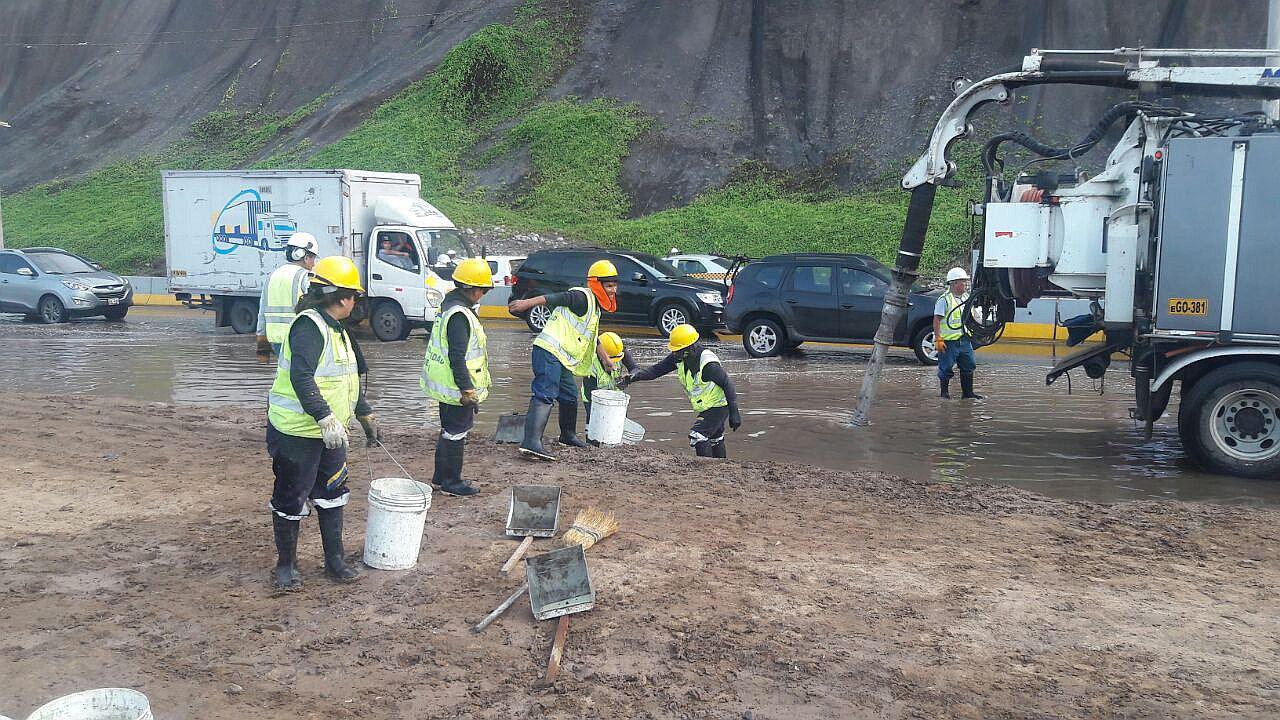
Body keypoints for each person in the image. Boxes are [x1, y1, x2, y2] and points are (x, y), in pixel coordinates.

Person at [266, 256, 381, 590]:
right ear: (343, 298)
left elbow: (350, 379)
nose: (357, 302)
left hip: (331, 434)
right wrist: (324, 416)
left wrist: (364, 413)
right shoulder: (309, 327)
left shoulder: (339, 331)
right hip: (298, 433)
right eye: (355, 296)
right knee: (291, 498)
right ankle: (285, 567)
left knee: (333, 493)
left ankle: (335, 562)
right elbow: (301, 377)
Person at [507, 259, 620, 461]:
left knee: (569, 396)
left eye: (615, 285)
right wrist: (526, 303)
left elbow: (592, 337)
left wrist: (605, 360)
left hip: (561, 358)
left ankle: (567, 435)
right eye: (609, 285)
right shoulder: (581, 296)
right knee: (545, 393)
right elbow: (555, 298)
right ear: (596, 283)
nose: (613, 290)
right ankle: (531, 442)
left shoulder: (594, 307)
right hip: (548, 352)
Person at [420, 257, 493, 497]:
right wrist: (467, 390)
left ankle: (440, 479)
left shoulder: (449, 308)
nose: (482, 295)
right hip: (456, 387)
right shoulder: (459, 315)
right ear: (473, 289)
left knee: (449, 430)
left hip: (447, 385)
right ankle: (452, 481)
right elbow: (457, 356)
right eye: (482, 290)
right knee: (456, 433)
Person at [620, 324, 741, 457]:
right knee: (715, 439)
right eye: (674, 350)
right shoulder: (679, 358)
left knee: (698, 435)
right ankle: (720, 467)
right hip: (707, 406)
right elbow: (656, 370)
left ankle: (706, 470)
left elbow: (728, 385)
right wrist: (634, 377)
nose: (674, 353)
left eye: (678, 350)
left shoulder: (708, 365)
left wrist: (734, 413)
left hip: (719, 406)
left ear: (690, 347)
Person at [256, 232, 319, 358]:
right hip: (297, 338)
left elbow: (262, 313)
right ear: (305, 257)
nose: (314, 264)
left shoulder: (272, 276)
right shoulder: (305, 277)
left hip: (276, 340)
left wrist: (262, 345)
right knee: (302, 376)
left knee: (285, 375)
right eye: (313, 258)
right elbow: (316, 309)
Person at [934, 266, 983, 400]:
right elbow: (937, 320)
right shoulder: (944, 300)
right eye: (963, 282)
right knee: (946, 368)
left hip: (964, 340)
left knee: (969, 365)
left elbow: (973, 317)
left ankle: (967, 394)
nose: (966, 284)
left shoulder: (966, 297)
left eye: (966, 281)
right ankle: (944, 394)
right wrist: (938, 339)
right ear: (954, 283)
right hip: (949, 342)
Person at [581, 331, 636, 422]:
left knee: (620, 424)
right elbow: (590, 394)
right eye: (609, 363)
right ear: (601, 355)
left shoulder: (620, 352)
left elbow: (635, 369)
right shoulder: (590, 364)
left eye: (615, 361)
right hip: (593, 399)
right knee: (595, 424)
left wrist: (629, 378)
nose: (613, 365)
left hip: (617, 398)